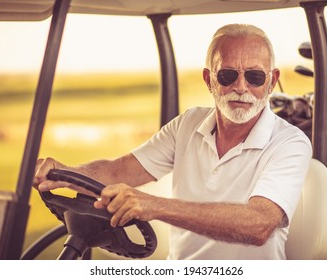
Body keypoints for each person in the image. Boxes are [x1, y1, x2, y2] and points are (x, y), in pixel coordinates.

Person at [33, 23, 312, 260]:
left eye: (254, 76)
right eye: (227, 75)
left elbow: (259, 224)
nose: (241, 87)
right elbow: (120, 170)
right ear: (209, 80)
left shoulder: (290, 143)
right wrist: (66, 175)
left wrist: (156, 205)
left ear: (272, 80)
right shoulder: (187, 125)